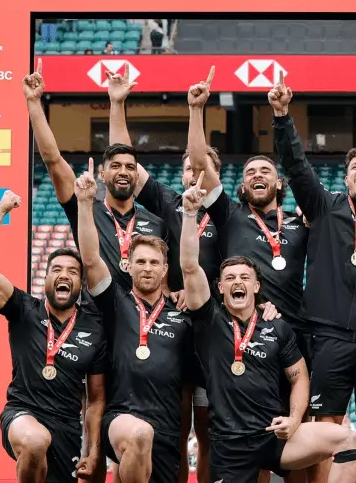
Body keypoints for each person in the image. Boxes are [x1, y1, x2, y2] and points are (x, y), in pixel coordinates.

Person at [268, 72, 356, 483]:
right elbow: (295, 165)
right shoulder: (325, 206)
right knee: (328, 426)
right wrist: (281, 116)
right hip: (328, 336)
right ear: (346, 178)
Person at [176, 178, 356, 483]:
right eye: (230, 278)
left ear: (256, 286)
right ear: (220, 288)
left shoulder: (277, 325)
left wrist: (295, 419)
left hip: (274, 436)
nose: (238, 282)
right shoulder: (210, 322)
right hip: (231, 446)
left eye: (245, 277)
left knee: (346, 439)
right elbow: (190, 267)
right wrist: (190, 214)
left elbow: (299, 377)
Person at [107, 69, 220, 483]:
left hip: (210, 330)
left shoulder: (227, 213)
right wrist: (117, 103)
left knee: (208, 433)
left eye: (202, 168)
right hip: (169, 323)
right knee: (175, 425)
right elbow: (127, 164)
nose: (193, 174)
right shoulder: (171, 203)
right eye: (188, 168)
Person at [0, 190, 108, 483]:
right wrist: (0, 212)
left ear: (81, 284)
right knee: (34, 442)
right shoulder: (24, 309)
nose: (65, 275)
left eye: (73, 271)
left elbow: (96, 401)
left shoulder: (94, 328)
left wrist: (93, 450)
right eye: (56, 269)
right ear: (44, 278)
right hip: (22, 414)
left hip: (67, 428)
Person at [74, 160, 195, 483]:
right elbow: (89, 259)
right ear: (127, 265)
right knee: (139, 435)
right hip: (123, 417)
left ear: (165, 269)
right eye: (139, 261)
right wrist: (86, 205)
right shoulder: (116, 302)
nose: (147, 268)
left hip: (168, 428)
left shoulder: (182, 315)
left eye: (154, 262)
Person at [24, 68, 169, 291]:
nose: (123, 171)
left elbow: (164, 282)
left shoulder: (157, 222)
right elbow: (52, 160)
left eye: (130, 167)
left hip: (140, 320)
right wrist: (34, 103)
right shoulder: (84, 208)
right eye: (116, 166)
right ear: (102, 175)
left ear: (137, 175)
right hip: (95, 318)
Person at [188, 104, 313, 364]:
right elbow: (200, 163)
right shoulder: (230, 214)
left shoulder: (299, 222)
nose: (258, 175)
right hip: (243, 327)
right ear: (243, 187)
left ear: (279, 183)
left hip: (294, 329)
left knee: (298, 401)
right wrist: (196, 109)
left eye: (266, 171)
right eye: (250, 173)